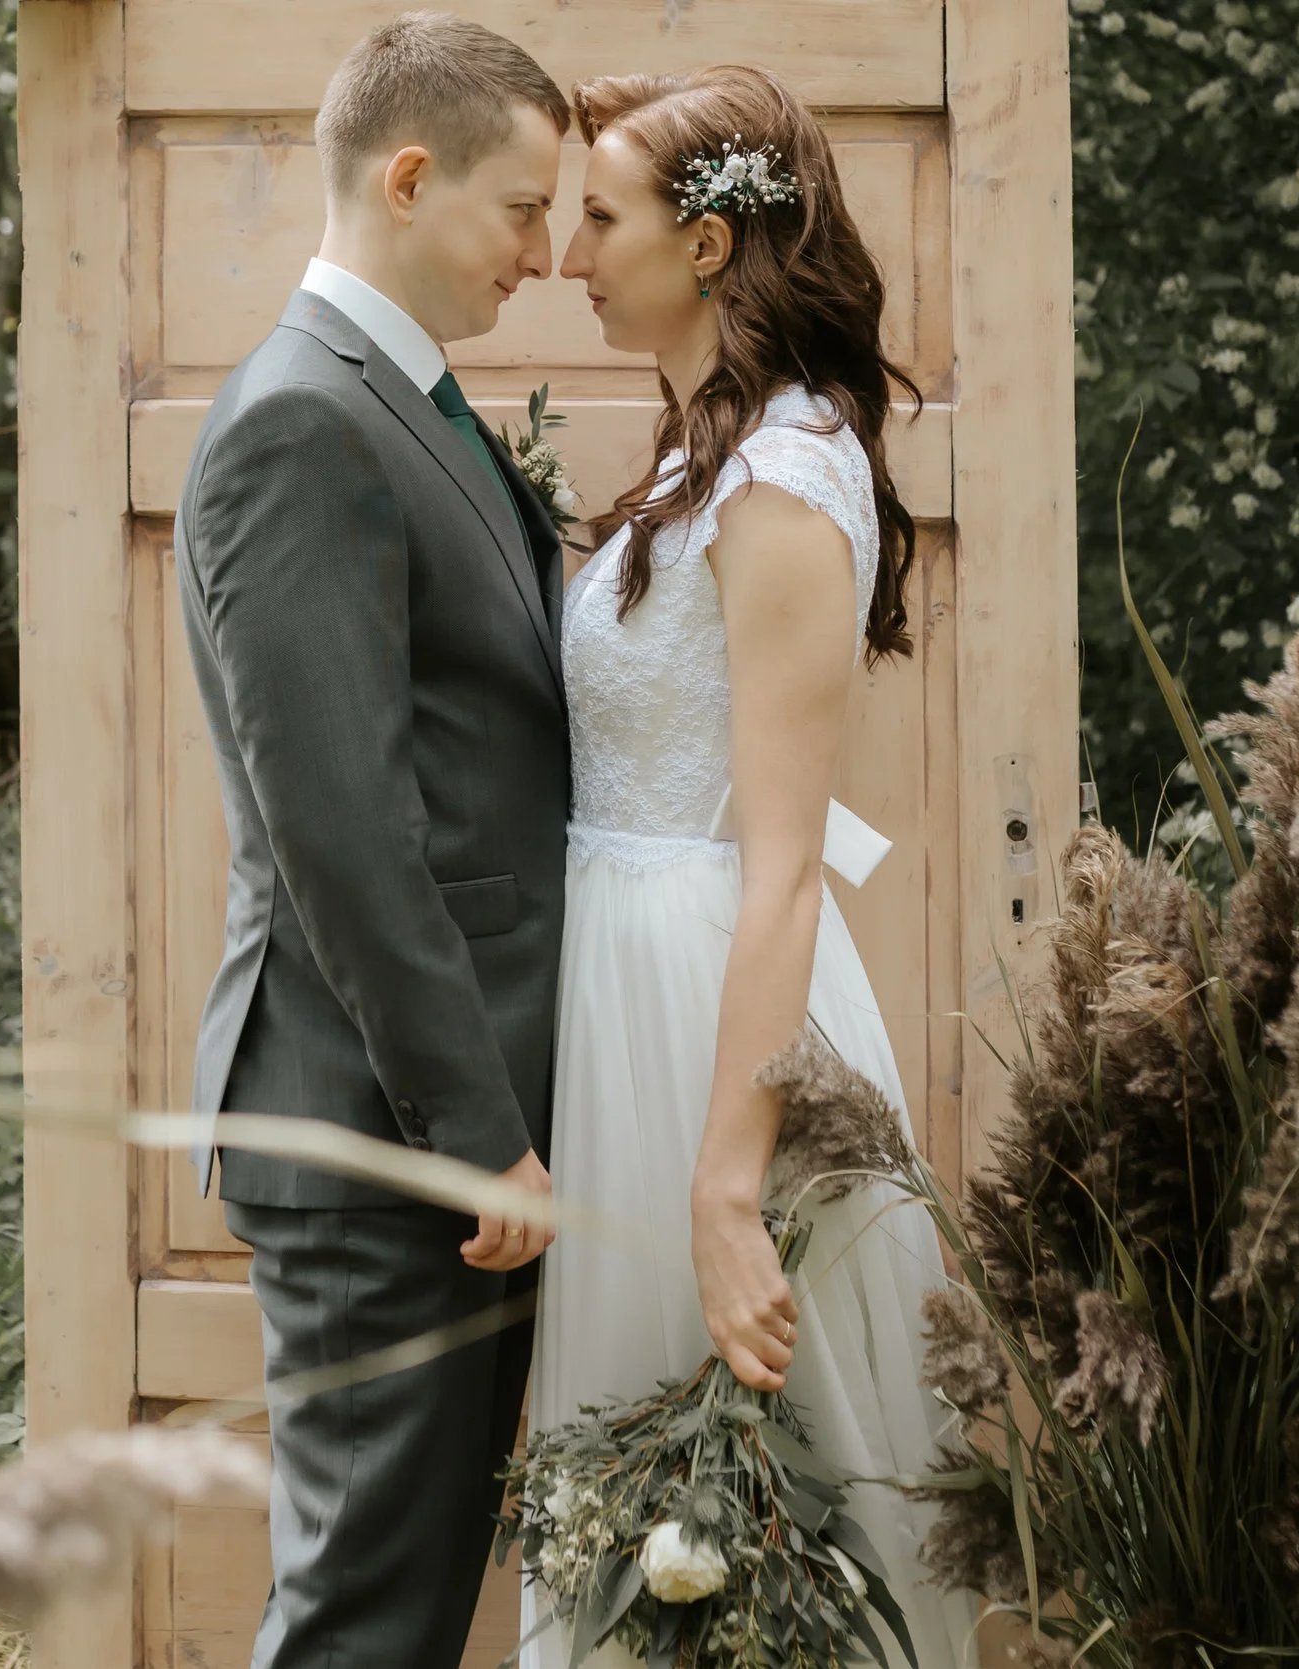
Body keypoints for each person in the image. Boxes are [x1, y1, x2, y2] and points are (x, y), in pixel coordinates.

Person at [523, 64, 978, 1667]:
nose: (569, 256)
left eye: (601, 219)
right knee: (650, 1528)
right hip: (624, 988)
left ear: (708, 245)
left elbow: (782, 865)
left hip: (708, 1014)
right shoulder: (702, 458)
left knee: (755, 1531)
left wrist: (727, 1188)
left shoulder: (784, 477)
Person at [171, 12, 571, 1669]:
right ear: (410, 180)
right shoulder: (302, 424)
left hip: (439, 1128)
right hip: (384, 1138)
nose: (542, 257)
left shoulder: (406, 404)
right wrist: (471, 1133)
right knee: (363, 1627)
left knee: (398, 1616)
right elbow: (342, 832)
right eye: (521, 210)